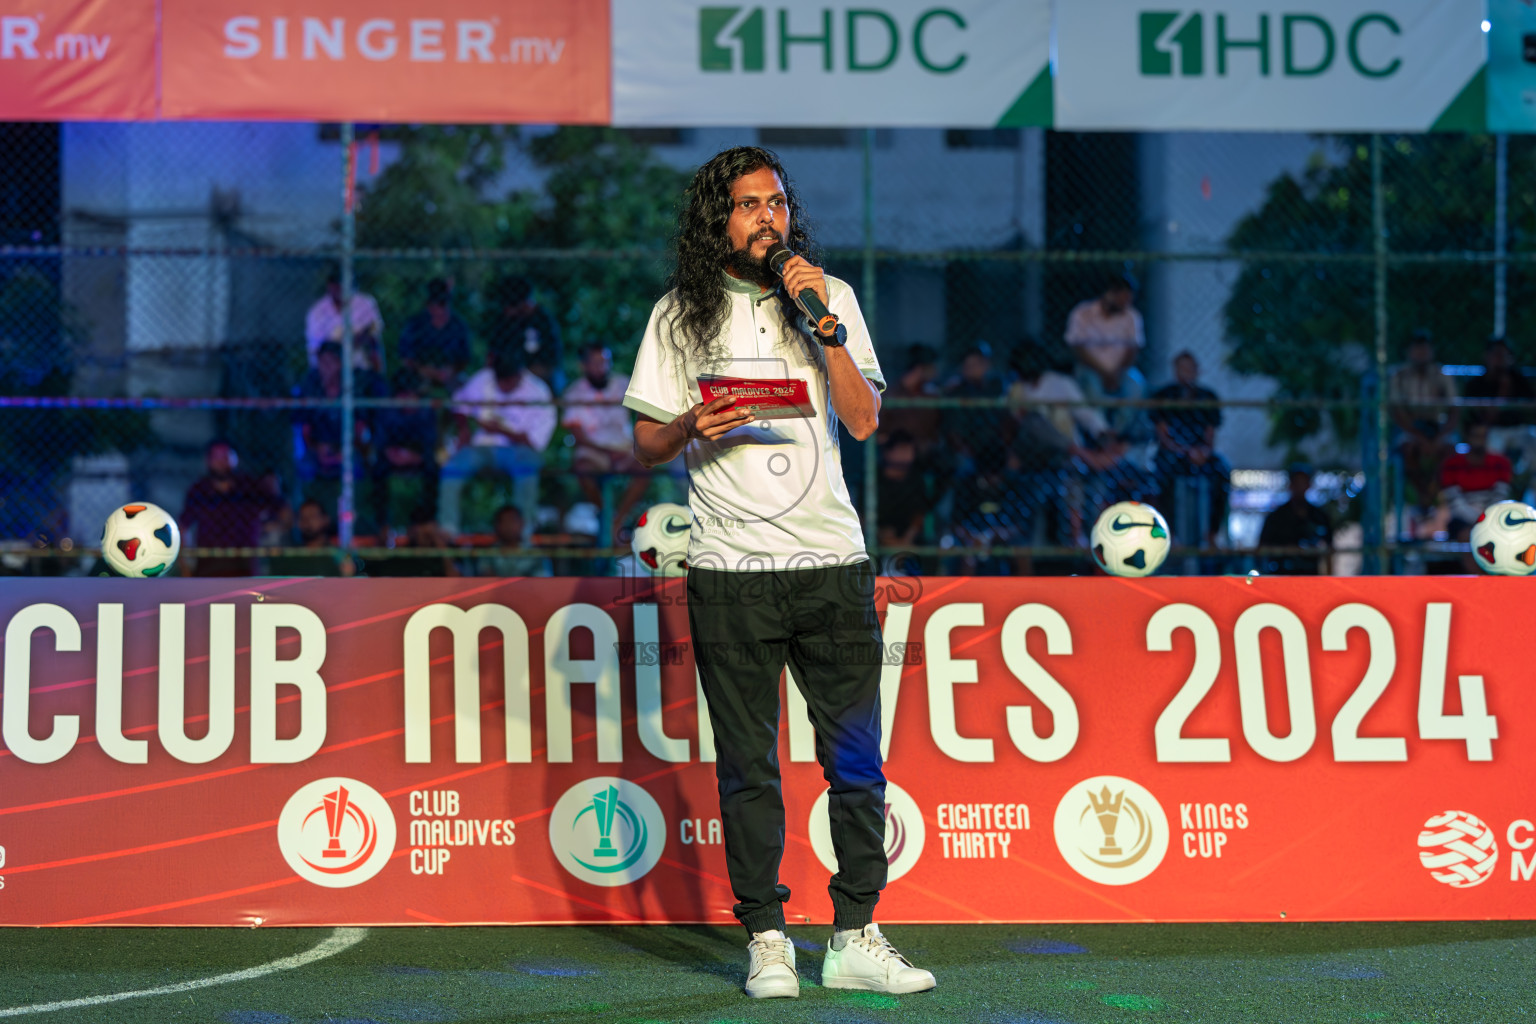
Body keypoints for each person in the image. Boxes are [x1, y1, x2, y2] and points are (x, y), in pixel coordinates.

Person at [623, 146, 934, 999]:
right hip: (731, 569)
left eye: (778, 202)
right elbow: (644, 439)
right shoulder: (677, 317)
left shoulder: (828, 297)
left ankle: (857, 935)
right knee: (749, 764)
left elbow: (865, 420)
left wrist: (821, 323)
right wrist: (693, 420)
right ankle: (767, 937)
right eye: (750, 203)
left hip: (831, 561)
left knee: (856, 761)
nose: (769, 216)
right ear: (716, 220)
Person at [439, 348, 556, 537]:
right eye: (499, 380)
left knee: (527, 467)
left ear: (519, 375)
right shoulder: (484, 378)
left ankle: (523, 532)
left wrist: (501, 430)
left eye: (508, 381)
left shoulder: (538, 392)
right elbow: (459, 403)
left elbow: (534, 443)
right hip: (481, 447)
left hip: (518, 451)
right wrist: (464, 430)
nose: (503, 385)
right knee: (452, 467)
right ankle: (448, 528)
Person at [562, 343, 652, 543]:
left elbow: (644, 417)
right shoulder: (573, 393)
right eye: (595, 363)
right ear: (583, 366)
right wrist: (606, 452)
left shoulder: (624, 384)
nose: (601, 367)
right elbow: (578, 437)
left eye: (604, 362)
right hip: (592, 451)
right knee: (582, 469)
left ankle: (618, 520)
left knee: (646, 467)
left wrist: (632, 445)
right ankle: (607, 515)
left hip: (624, 448)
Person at [293, 340, 386, 519]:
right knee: (305, 466)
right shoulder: (310, 387)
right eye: (322, 362)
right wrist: (317, 449)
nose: (326, 368)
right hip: (318, 447)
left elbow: (361, 429)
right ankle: (311, 519)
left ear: (340, 364)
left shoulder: (353, 387)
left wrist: (346, 452)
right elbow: (304, 429)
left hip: (349, 447)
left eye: (331, 362)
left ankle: (353, 521)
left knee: (358, 467)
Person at [1149, 351, 1230, 546]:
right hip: (1173, 453)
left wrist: (1203, 452)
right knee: (1160, 475)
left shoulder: (1207, 396)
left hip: (1200, 453)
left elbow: (1210, 435)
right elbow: (1163, 436)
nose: (1186, 372)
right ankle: (1169, 531)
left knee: (1222, 471)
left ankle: (1212, 532)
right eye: (1182, 368)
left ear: (1197, 370)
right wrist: (1183, 451)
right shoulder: (1164, 396)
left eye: (1190, 368)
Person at [1065, 273, 1150, 444]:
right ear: (1109, 294)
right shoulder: (1083, 313)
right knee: (1092, 387)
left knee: (1136, 384)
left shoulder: (1132, 316)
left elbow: (1132, 350)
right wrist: (1103, 372)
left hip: (1121, 369)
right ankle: (1100, 432)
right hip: (1091, 368)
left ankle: (1116, 433)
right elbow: (1078, 348)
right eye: (1123, 299)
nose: (1126, 304)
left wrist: (1116, 373)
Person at [179, 439, 283, 577]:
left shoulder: (250, 487)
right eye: (216, 457)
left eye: (226, 456)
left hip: (246, 568)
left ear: (236, 458)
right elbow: (183, 528)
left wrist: (264, 531)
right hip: (209, 569)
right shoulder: (199, 490)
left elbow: (281, 515)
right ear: (208, 460)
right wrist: (185, 568)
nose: (221, 462)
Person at [1389, 329, 1458, 507]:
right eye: (1417, 349)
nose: (1421, 353)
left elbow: (1454, 410)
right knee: (1408, 449)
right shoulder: (1399, 376)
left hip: (1436, 426)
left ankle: (1435, 492)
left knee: (1449, 451)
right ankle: (1422, 494)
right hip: (1410, 427)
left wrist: (1439, 437)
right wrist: (1419, 437)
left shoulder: (1442, 375)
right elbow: (1397, 413)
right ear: (1409, 352)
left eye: (1425, 349)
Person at [372, 368, 441, 531]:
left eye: (413, 395)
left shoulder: (426, 411)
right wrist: (393, 455)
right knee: (378, 471)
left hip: (417, 457)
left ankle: (426, 521)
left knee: (433, 470)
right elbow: (381, 443)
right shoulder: (387, 410)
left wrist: (414, 457)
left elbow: (430, 444)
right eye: (404, 395)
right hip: (392, 457)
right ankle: (382, 524)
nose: (409, 400)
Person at [1437, 422, 1513, 556]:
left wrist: (1485, 520)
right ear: (1467, 437)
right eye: (1476, 436)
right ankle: (1480, 577)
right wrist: (1478, 522)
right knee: (1468, 537)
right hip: (1462, 519)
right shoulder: (1451, 464)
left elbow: (1500, 497)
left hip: (1493, 517)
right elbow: (1455, 502)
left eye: (1484, 436)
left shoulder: (1501, 463)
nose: (1480, 440)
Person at [1463, 337, 1534, 467]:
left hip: (1518, 429)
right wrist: (1503, 390)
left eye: (1505, 355)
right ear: (1487, 356)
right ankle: (1496, 483)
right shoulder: (1477, 384)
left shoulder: (1518, 379)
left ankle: (1527, 484)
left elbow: (1529, 407)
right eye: (1496, 354)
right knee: (1492, 448)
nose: (1500, 359)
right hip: (1493, 430)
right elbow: (1485, 418)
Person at [486, 276, 563, 391]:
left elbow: (550, 364)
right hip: (506, 378)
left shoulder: (544, 322)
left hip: (536, 380)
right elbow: (491, 356)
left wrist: (522, 376)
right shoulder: (503, 322)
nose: (506, 311)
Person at [305, 268, 385, 374]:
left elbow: (374, 328)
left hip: (360, 366)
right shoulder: (317, 311)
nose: (340, 288)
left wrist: (356, 339)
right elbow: (318, 346)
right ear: (330, 286)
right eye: (337, 284)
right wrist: (350, 341)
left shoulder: (365, 302)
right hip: (330, 370)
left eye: (345, 283)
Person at [398, 278, 472, 392]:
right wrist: (423, 369)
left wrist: (451, 370)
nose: (439, 309)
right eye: (435, 304)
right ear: (428, 305)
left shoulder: (458, 325)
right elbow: (405, 357)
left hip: (450, 374)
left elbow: (464, 358)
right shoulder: (415, 324)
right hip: (420, 372)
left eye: (443, 304)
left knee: (465, 386)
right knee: (405, 382)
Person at [1257, 463, 1333, 575]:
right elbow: (1262, 548)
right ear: (1290, 485)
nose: (1300, 487)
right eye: (1297, 482)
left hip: (1310, 576)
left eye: (1303, 482)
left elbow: (1329, 549)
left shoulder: (1319, 516)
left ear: (1309, 485)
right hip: (1281, 575)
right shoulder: (1276, 517)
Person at [266, 499, 351, 577]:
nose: (307, 521)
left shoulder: (337, 555)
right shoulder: (291, 556)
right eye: (303, 517)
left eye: (312, 516)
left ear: (325, 520)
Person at [367, 507, 461, 577]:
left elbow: (455, 577)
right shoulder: (406, 554)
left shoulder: (445, 552)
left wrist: (438, 542)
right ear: (411, 531)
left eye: (427, 535)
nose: (422, 537)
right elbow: (381, 572)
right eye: (418, 531)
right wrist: (382, 544)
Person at [474, 505, 552, 577]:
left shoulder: (536, 554)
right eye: (503, 521)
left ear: (522, 523)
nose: (508, 525)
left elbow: (542, 580)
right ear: (497, 525)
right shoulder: (489, 554)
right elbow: (485, 577)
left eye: (512, 520)